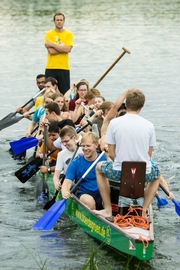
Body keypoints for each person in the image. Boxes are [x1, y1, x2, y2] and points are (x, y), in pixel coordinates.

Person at [94, 88, 161, 218]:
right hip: (143, 173)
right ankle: (143, 210)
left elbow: (112, 153)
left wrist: (122, 165)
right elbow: (149, 155)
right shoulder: (149, 125)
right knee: (157, 174)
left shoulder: (114, 123)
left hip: (119, 172)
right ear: (141, 107)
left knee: (99, 168)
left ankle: (107, 210)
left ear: (127, 104)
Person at [61, 132, 107, 210]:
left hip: (101, 194)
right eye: (83, 146)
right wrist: (65, 192)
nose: (85, 149)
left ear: (96, 145)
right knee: (89, 201)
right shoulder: (75, 163)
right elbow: (67, 182)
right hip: (84, 193)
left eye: (88, 146)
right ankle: (94, 219)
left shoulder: (103, 159)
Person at [44, 12, 74, 95]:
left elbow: (67, 49)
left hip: (64, 67)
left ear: (64, 21)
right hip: (51, 67)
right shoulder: (49, 34)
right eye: (57, 20)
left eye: (61, 20)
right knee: (49, 93)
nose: (59, 22)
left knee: (65, 93)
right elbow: (51, 51)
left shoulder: (69, 34)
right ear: (54, 21)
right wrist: (63, 49)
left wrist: (52, 44)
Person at [53, 126, 83, 190]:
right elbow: (56, 176)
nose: (64, 144)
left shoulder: (84, 149)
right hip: (70, 184)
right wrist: (56, 182)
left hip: (83, 182)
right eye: (62, 142)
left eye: (66, 141)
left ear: (74, 138)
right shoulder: (61, 154)